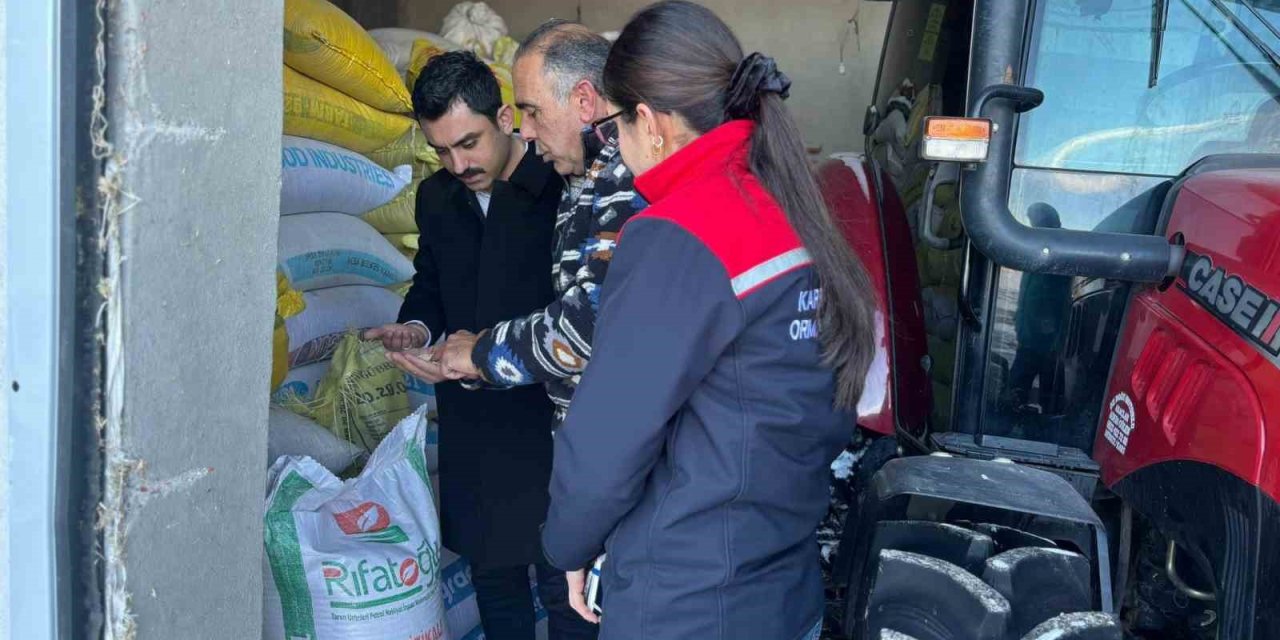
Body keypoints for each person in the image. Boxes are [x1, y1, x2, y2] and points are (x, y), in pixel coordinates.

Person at [538, 3, 879, 638]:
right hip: (784, 594)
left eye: (614, 126)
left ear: (650, 121)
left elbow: (607, 442)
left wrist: (568, 547)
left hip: (687, 604)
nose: (616, 147)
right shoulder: (793, 208)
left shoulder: (677, 235)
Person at [362, 51, 575, 640]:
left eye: (469, 143)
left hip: (548, 422)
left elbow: (580, 316)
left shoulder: (560, 187)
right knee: (496, 585)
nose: (458, 164)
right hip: (474, 424)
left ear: (506, 117)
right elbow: (431, 283)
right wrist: (416, 330)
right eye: (441, 150)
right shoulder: (437, 199)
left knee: (568, 590)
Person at [432, 21, 645, 432]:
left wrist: (480, 353)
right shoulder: (584, 175)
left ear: (584, 100)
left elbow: (590, 327)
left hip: (621, 446)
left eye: (532, 111)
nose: (525, 131)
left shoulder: (625, 176)